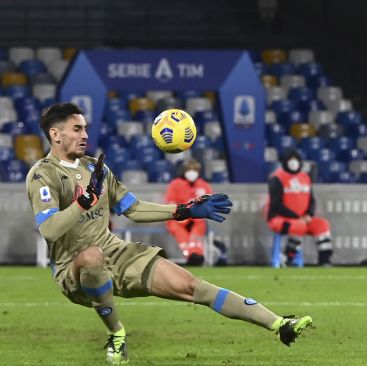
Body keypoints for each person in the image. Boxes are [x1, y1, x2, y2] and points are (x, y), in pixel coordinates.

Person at [27, 103, 312, 365]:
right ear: (55, 134)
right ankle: (117, 334)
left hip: (115, 252)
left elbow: (134, 209)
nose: (85, 134)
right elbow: (49, 230)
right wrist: (81, 204)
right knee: (91, 257)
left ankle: (278, 324)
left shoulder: (95, 168)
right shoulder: (43, 175)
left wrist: (184, 210)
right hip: (72, 267)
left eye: (85, 127)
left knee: (192, 286)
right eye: (77, 128)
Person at [267, 148, 333, 266]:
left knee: (322, 225)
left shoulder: (305, 178)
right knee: (298, 226)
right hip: (279, 219)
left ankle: (325, 260)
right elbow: (276, 205)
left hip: (303, 218)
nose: (293, 163)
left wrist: (309, 214)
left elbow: (312, 200)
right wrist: (296, 217)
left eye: (296, 160)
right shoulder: (277, 178)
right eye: (290, 160)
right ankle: (287, 258)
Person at [165, 158, 213, 266]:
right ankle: (191, 254)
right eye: (189, 169)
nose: (192, 172)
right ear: (184, 171)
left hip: (197, 217)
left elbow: (210, 203)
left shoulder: (203, 185)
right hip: (178, 217)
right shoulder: (176, 184)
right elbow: (171, 203)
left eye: (195, 170)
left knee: (199, 225)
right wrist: (179, 215)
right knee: (177, 228)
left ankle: (196, 254)